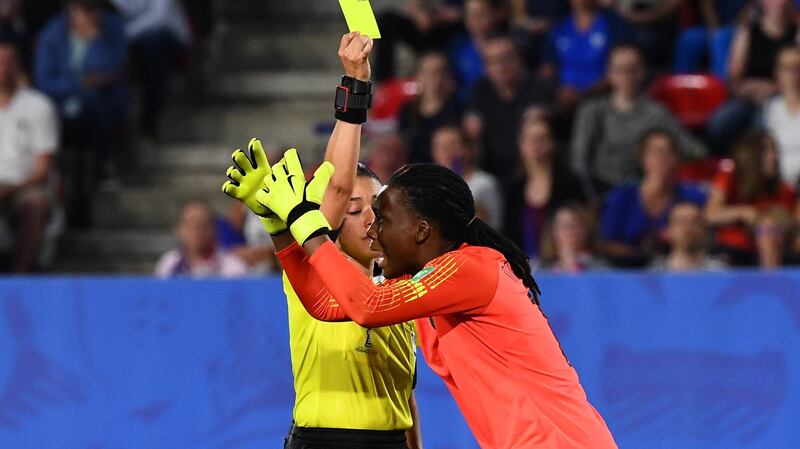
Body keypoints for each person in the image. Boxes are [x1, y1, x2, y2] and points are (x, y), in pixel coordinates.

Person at [256, 153, 618, 448]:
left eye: (382, 219)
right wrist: (280, 231)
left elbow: (366, 306)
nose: (370, 228)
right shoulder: (433, 286)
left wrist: (304, 219)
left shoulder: (468, 268)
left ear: (421, 230)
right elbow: (327, 304)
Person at [222, 33, 422, 449]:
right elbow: (334, 185)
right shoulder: (314, 270)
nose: (369, 218)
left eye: (378, 207)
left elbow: (405, 396)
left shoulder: (405, 289)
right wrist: (356, 84)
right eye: (353, 210)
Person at [570, 45, 706, 198]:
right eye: (619, 70)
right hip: (598, 190)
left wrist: (662, 158)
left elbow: (695, 149)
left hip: (640, 192)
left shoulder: (656, 114)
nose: (626, 76)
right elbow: (579, 162)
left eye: (632, 69)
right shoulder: (592, 110)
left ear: (642, 72)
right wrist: (589, 197)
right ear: (609, 74)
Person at [34, 0, 130, 187]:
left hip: (104, 103)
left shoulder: (112, 28)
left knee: (95, 105)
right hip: (61, 104)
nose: (91, 15)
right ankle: (63, 172)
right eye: (84, 10)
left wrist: (96, 39)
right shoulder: (53, 32)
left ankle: (102, 166)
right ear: (71, 9)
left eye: (95, 9)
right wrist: (79, 85)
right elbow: (44, 79)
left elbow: (112, 69)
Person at [601, 129, 707, 267]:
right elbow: (607, 243)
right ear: (643, 158)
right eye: (655, 152)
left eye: (668, 152)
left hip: (677, 267)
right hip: (627, 270)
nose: (661, 158)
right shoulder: (622, 197)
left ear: (677, 158)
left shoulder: (692, 196)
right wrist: (643, 255)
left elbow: (704, 235)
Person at [464, 34, 555, 190]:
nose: (501, 66)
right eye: (493, 61)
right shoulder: (481, 90)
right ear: (486, 68)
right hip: (492, 170)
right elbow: (471, 126)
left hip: (529, 170)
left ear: (520, 60)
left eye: (506, 58)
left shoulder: (539, 87)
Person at [707, 0, 799, 155]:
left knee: (762, 125)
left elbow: (795, 72)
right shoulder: (748, 32)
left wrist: (773, 89)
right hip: (748, 98)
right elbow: (734, 78)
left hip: (781, 98)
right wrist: (747, 89)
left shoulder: (796, 33)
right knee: (718, 124)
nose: (779, 4)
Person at [0, 40, 59, 273]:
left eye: (7, 62)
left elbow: (43, 167)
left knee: (35, 203)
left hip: (25, 184)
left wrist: (10, 189)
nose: (3, 69)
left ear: (18, 66)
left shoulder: (38, 106)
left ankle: (19, 278)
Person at [705, 131, 797, 265]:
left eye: (774, 151)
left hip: (776, 254)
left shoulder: (784, 189)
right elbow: (710, 214)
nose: (774, 157)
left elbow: (793, 224)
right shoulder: (730, 177)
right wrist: (742, 212)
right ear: (751, 156)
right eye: (766, 152)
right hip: (732, 252)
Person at [107, 0, 192, 140]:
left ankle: (151, 118)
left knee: (153, 44)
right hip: (130, 38)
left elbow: (159, 17)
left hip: (168, 37)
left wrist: (124, 35)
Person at [506, 114, 585, 259]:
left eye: (541, 139)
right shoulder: (513, 189)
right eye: (529, 139)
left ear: (552, 143)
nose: (535, 144)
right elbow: (507, 236)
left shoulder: (570, 184)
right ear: (521, 145)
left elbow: (582, 226)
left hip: (563, 266)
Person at [541, 0, 628, 111]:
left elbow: (622, 66)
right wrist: (559, 91)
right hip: (562, 101)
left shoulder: (614, 24)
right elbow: (547, 68)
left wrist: (584, 94)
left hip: (604, 100)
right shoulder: (558, 26)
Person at [431, 125, 504, 230]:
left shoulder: (485, 183)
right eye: (439, 146)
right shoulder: (431, 186)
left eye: (452, 144)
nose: (446, 150)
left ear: (467, 149)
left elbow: (492, 226)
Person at [374, 0, 463, 82]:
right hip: (427, 22)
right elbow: (416, 6)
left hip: (446, 24)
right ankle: (385, 82)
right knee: (387, 21)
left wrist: (445, 15)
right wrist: (418, 13)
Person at [154, 201, 248, 278]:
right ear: (179, 230)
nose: (197, 230)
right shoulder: (169, 264)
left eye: (204, 224)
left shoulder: (232, 268)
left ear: (214, 229)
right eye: (191, 224)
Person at [398, 52, 462, 163]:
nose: (433, 77)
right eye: (427, 72)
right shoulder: (407, 110)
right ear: (418, 76)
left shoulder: (457, 108)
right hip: (414, 172)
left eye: (439, 72)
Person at [673, 0, 749, 78]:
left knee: (721, 39)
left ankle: (719, 86)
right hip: (713, 28)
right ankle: (679, 84)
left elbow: (749, 10)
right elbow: (707, 6)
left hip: (741, 31)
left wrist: (725, 31)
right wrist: (714, 30)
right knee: (688, 38)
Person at [446, 0, 506, 99]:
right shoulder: (457, 47)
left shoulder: (506, 45)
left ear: (493, 14)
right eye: (471, 15)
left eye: (481, 14)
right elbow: (452, 84)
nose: (476, 19)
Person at [649, 202, 727, 271]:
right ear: (669, 230)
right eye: (680, 222)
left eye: (694, 222)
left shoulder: (718, 270)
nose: (687, 228)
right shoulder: (656, 272)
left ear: (704, 230)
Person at [762, 46, 800, 186]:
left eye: (797, 69)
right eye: (786, 69)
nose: (792, 75)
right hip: (777, 187)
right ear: (777, 73)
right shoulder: (768, 109)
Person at [537, 204, 607, 273]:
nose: (569, 230)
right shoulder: (540, 268)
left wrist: (571, 265)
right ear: (553, 231)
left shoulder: (600, 267)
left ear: (587, 230)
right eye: (563, 225)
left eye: (575, 225)